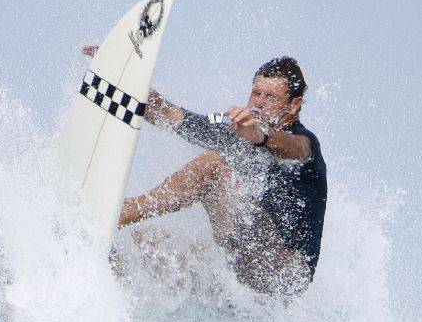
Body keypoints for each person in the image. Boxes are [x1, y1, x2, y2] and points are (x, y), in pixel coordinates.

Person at [81, 50, 328, 295]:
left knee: (214, 166)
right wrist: (124, 77)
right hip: (239, 264)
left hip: (284, 271)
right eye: (256, 93)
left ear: (294, 104)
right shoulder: (237, 129)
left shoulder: (304, 142)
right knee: (143, 243)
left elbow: (297, 148)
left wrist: (260, 137)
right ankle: (101, 285)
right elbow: (171, 115)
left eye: (271, 96)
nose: (258, 103)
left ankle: (121, 212)